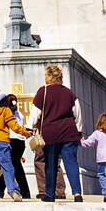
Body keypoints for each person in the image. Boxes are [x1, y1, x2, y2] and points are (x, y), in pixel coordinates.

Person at [32, 64, 84, 202]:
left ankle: (50, 194)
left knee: (51, 163)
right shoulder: (69, 93)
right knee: (71, 162)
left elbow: (35, 113)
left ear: (50, 76)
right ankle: (77, 193)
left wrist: (29, 127)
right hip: (69, 132)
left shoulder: (43, 92)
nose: (44, 77)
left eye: (46, 75)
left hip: (51, 133)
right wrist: (79, 131)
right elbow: (77, 114)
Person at [0, 95, 32, 200]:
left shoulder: (5, 113)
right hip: (20, 143)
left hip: (10, 141)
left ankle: (23, 191)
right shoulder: (20, 114)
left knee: (11, 167)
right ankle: (0, 188)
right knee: (13, 167)